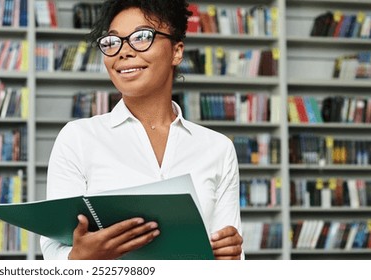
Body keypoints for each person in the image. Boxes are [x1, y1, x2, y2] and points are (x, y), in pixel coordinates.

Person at [41, 0, 244, 260]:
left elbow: (230, 254)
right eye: (113, 42)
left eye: (141, 37)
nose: (123, 51)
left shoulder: (218, 149)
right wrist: (79, 259)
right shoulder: (77, 138)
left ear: (176, 51)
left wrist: (231, 257)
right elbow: (53, 251)